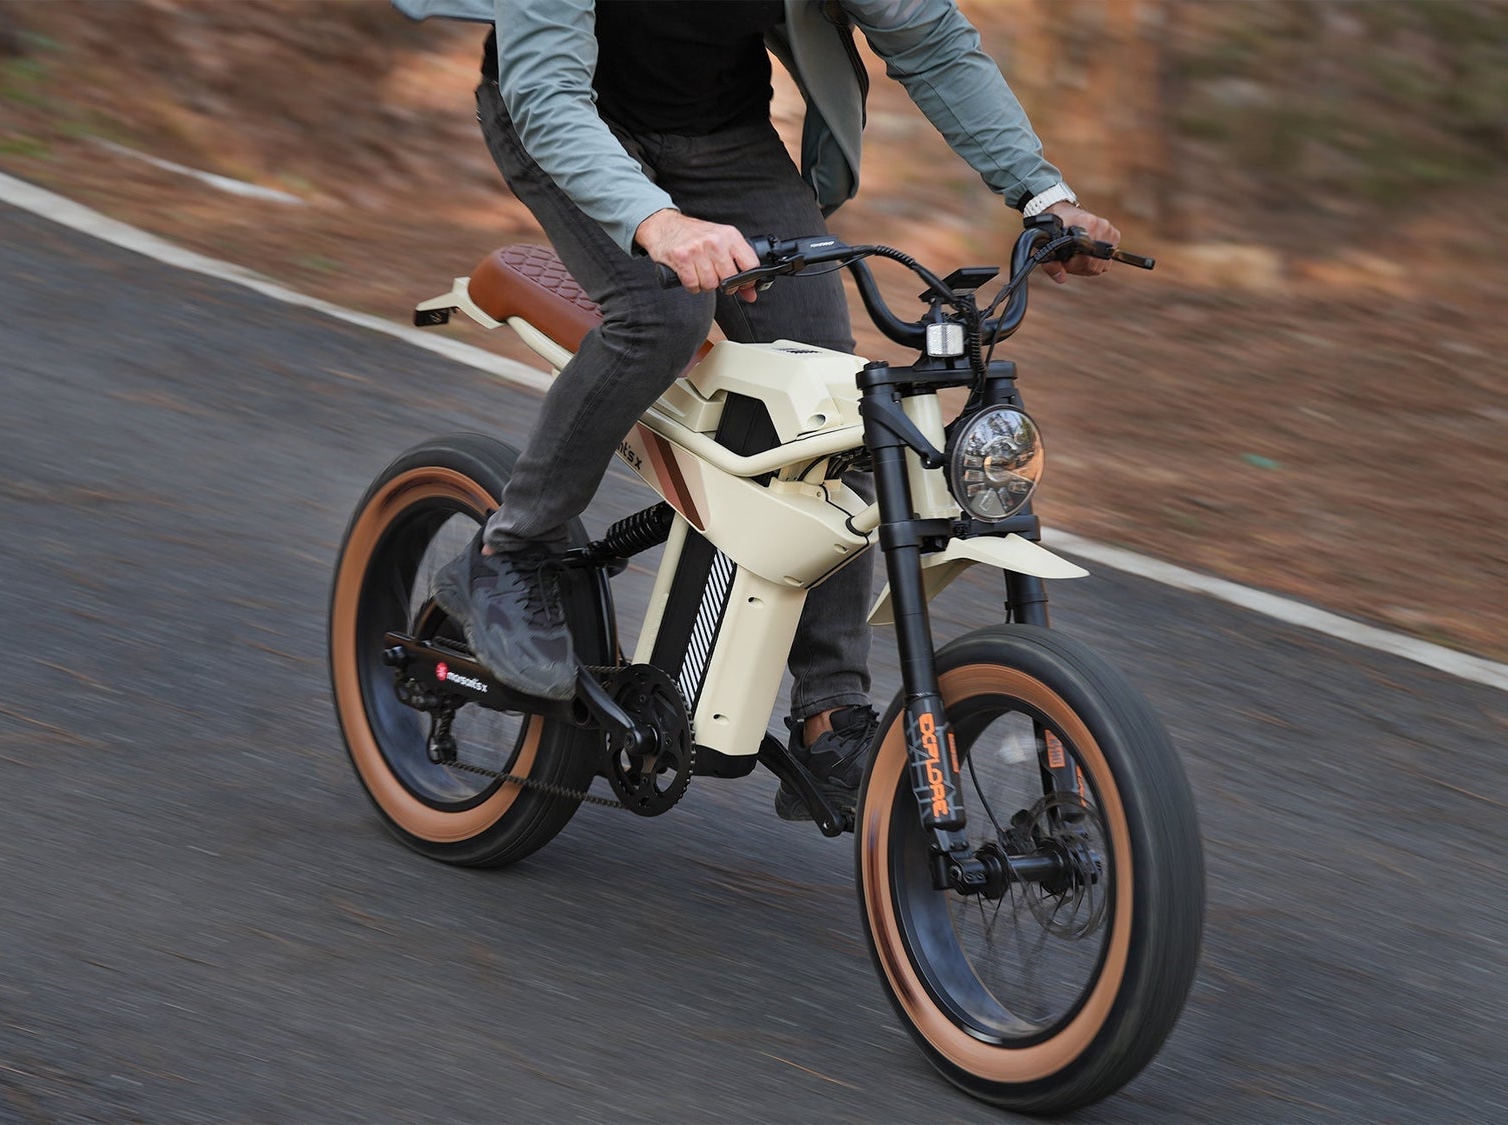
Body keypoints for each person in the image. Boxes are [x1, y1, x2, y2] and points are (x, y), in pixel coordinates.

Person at [397, 0, 1121, 821]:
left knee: (834, 394)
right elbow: (548, 95)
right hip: (565, 114)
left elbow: (932, 42)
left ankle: (829, 713)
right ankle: (512, 547)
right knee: (659, 316)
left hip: (721, 135)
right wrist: (656, 222)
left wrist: (1043, 194)